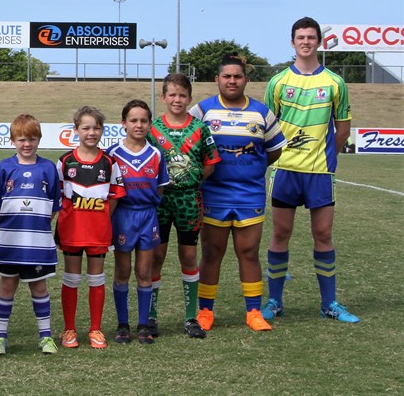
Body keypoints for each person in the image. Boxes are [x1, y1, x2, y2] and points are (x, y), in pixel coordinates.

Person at [262, 17, 360, 323]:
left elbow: (343, 130)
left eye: (311, 37)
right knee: (281, 233)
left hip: (320, 172)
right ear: (292, 42)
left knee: (323, 234)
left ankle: (329, 303)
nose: (305, 42)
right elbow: (268, 127)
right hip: (285, 170)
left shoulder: (334, 82)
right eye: (300, 37)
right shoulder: (278, 82)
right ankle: (274, 302)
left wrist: (327, 156)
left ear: (319, 41)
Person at [189, 54, 286, 332]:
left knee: (249, 252)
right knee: (212, 253)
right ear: (217, 79)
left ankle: (254, 312)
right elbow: (187, 143)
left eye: (238, 76)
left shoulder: (262, 113)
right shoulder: (202, 111)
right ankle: (205, 311)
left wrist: (250, 170)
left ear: (246, 80)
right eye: (227, 76)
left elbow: (274, 150)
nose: (232, 81)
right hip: (213, 193)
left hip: (249, 194)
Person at [147, 73, 221, 339]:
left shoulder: (200, 129)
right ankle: (150, 316)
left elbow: (210, 163)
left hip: (189, 201)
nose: (177, 100)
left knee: (188, 257)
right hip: (160, 201)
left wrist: (190, 180)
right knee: (156, 257)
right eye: (172, 95)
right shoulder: (153, 129)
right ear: (163, 97)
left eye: (182, 95)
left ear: (189, 98)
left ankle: (191, 317)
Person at [0, 114, 61, 356]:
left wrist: (35, 225)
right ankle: (0, 338)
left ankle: (45, 337)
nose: (27, 144)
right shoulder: (3, 168)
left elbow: (54, 205)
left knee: (39, 287)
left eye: (32, 139)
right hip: (11, 242)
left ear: (39, 139)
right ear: (12, 140)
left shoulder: (48, 168)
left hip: (37, 242)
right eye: (21, 139)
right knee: (7, 286)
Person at [56, 106, 124, 350]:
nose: (91, 132)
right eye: (85, 128)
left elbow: (114, 197)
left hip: (98, 231)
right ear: (76, 130)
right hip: (71, 230)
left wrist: (100, 216)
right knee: (71, 278)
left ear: (102, 130)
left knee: (96, 278)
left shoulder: (109, 162)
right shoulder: (65, 161)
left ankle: (95, 329)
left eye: (96, 128)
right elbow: (57, 195)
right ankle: (69, 329)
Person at [107, 100, 169, 344]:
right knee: (122, 271)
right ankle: (123, 325)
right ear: (123, 123)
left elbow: (160, 189)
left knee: (144, 272)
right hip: (122, 215)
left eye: (144, 120)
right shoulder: (113, 154)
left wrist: (148, 205)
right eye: (133, 120)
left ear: (150, 124)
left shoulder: (156, 154)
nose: (139, 125)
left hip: (147, 215)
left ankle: (143, 325)